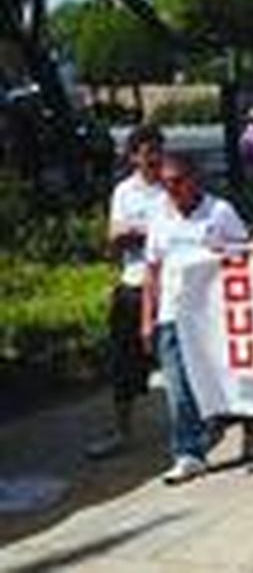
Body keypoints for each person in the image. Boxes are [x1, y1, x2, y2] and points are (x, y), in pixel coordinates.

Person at [142, 152, 250, 485]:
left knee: (229, 380)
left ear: (194, 179)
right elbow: (152, 270)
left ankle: (252, 428)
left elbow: (245, 255)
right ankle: (189, 453)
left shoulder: (220, 212)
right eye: (165, 183)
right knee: (178, 388)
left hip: (215, 316)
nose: (171, 189)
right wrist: (147, 319)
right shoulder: (160, 217)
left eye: (177, 181)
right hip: (173, 314)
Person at [86, 125, 167, 460]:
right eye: (146, 152)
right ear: (133, 156)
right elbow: (115, 235)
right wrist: (153, 232)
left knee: (180, 361)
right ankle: (122, 430)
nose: (153, 158)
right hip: (133, 284)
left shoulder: (171, 185)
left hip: (169, 287)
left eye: (157, 150)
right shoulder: (125, 191)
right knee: (123, 363)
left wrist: (141, 233)